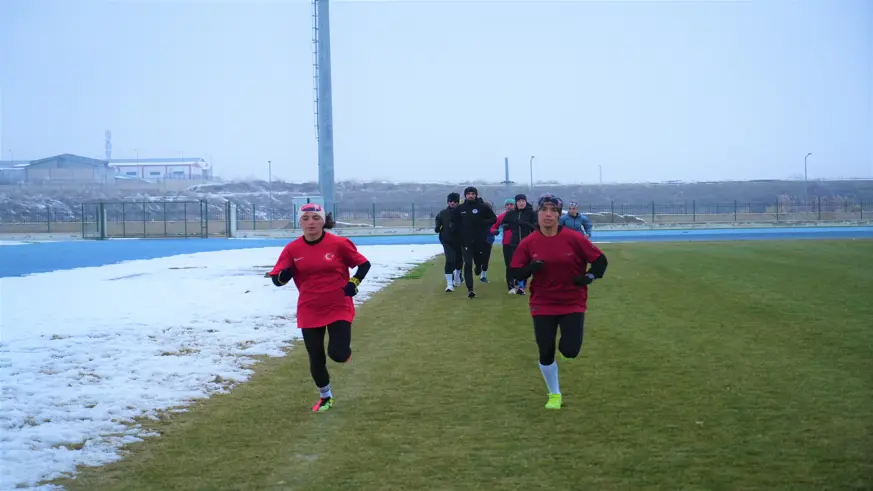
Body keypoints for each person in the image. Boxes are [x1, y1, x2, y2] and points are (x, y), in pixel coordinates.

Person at [268, 203, 371, 413]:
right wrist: (283, 277)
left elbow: (364, 264)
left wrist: (354, 282)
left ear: (323, 221)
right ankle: (326, 397)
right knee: (315, 356)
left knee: (338, 354)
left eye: (315, 218)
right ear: (300, 222)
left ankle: (344, 353)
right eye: (305, 219)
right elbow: (277, 280)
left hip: (338, 304)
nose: (311, 223)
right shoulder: (292, 249)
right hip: (309, 307)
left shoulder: (339, 244)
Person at [509, 193, 608, 410]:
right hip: (543, 303)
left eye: (553, 210)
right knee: (545, 350)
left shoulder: (574, 238)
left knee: (570, 351)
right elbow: (515, 271)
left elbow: (600, 261)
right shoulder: (529, 242)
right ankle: (554, 394)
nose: (548, 214)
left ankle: (567, 350)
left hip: (572, 301)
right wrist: (530, 269)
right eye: (544, 210)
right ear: (538, 213)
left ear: (559, 214)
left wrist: (589, 276)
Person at [451, 186, 497, 298]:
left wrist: (482, 222)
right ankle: (470, 289)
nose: (470, 195)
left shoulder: (482, 207)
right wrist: (457, 233)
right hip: (465, 241)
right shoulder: (460, 208)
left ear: (476, 195)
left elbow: (493, 219)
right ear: (465, 195)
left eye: (473, 193)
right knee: (467, 263)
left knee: (478, 261)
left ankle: (479, 266)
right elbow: (453, 223)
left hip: (480, 240)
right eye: (468, 194)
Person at [501, 194, 537, 295]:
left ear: (526, 202)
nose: (521, 203)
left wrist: (523, 223)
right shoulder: (511, 213)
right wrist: (507, 226)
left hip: (527, 243)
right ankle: (512, 286)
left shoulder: (532, 213)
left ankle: (521, 287)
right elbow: (504, 224)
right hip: (514, 243)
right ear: (516, 203)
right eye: (519, 201)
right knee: (513, 265)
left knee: (525, 265)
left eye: (523, 201)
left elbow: (535, 226)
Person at [435, 192, 463, 292]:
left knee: (459, 261)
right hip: (447, 240)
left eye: (454, 201)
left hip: (460, 240)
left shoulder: (462, 212)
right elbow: (438, 220)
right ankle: (449, 284)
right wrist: (437, 227)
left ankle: (457, 273)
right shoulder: (443, 213)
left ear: (458, 201)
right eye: (450, 201)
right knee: (449, 260)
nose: (452, 203)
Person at [490, 198, 518, 293]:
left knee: (519, 264)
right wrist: (495, 231)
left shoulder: (519, 216)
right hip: (507, 243)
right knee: (509, 265)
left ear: (515, 205)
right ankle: (511, 286)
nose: (509, 206)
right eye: (507, 205)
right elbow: (493, 227)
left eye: (511, 204)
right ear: (505, 206)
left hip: (519, 243)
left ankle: (518, 282)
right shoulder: (501, 217)